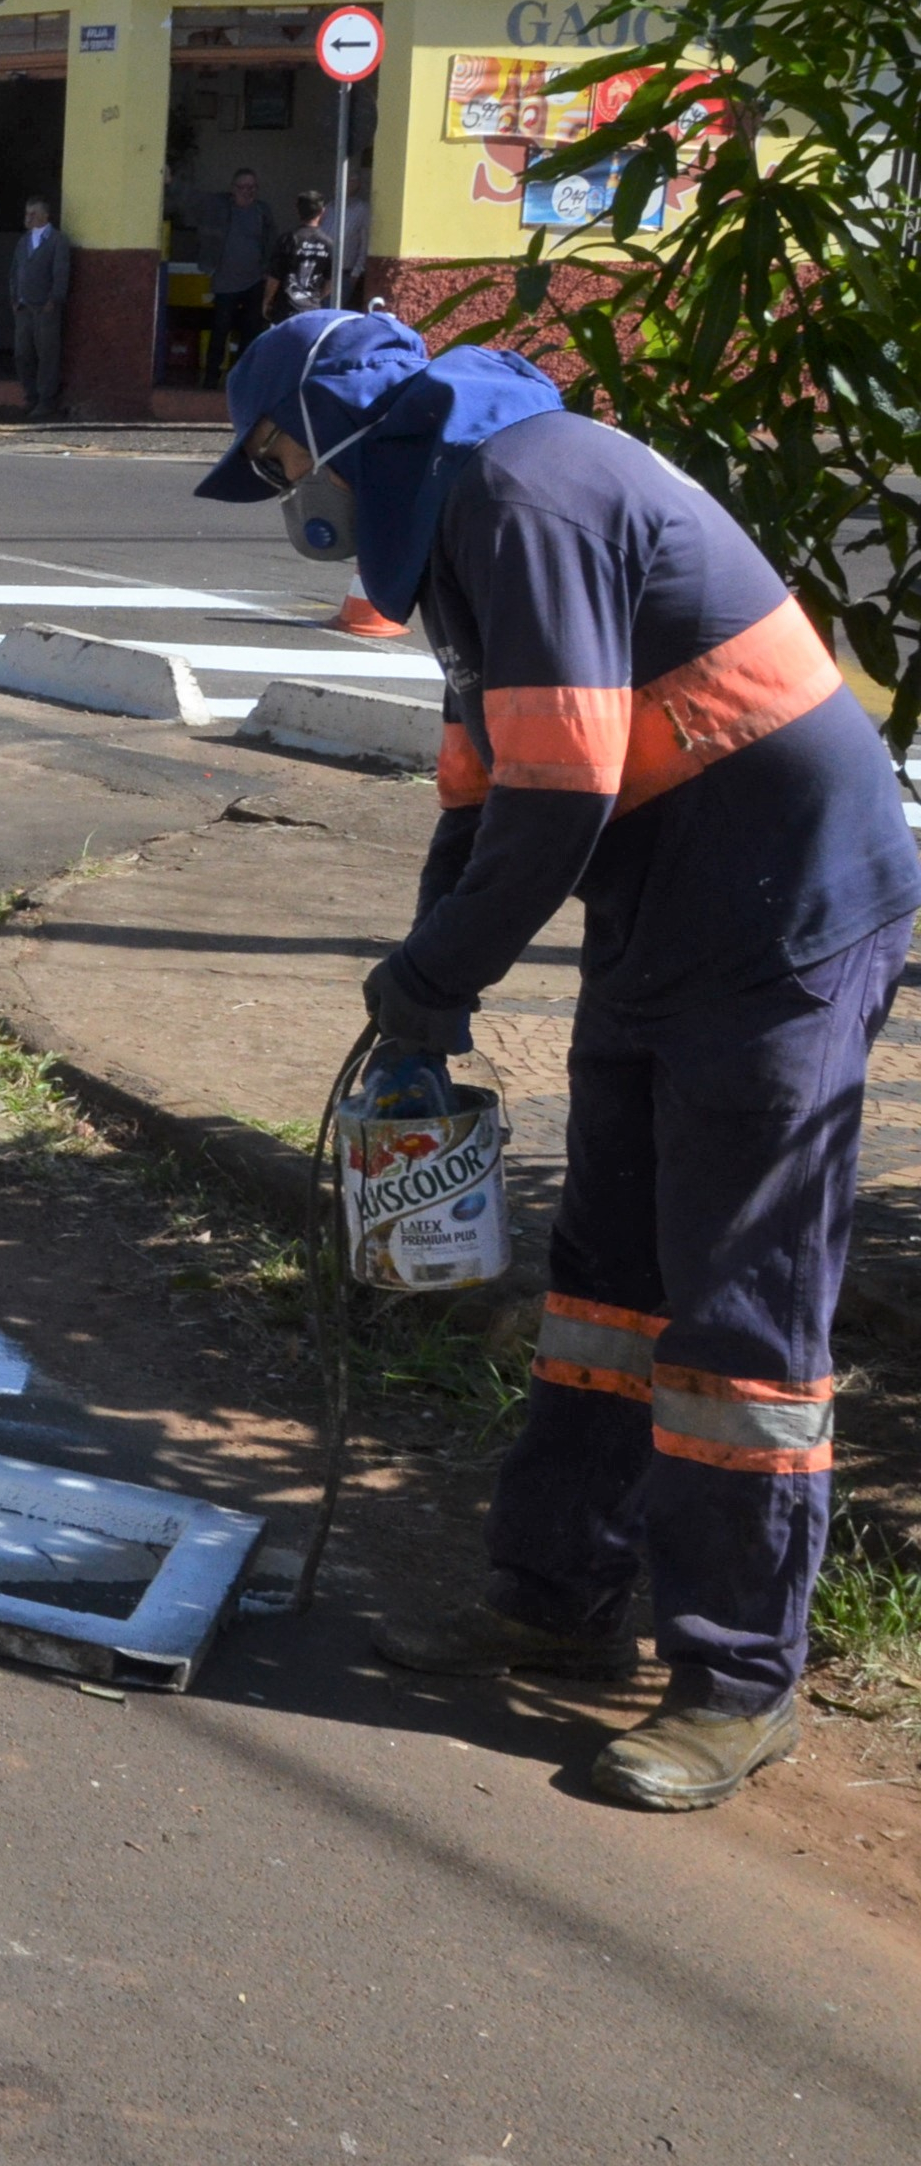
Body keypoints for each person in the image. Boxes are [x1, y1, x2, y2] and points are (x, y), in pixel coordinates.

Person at [196, 311, 921, 1810]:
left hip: (786, 920)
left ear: (330, 427)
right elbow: (484, 786)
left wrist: (441, 969)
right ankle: (554, 1601)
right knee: (605, 1288)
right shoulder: (460, 516)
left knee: (737, 1306)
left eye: (274, 461)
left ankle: (735, 1682)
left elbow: (563, 791)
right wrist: (426, 992)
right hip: (670, 914)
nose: (282, 496)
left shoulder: (529, 493)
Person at [195, 166, 273, 381]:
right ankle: (211, 379)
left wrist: (267, 270)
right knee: (220, 331)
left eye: (252, 187)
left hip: (254, 281)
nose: (247, 191)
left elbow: (270, 242)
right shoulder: (220, 209)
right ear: (232, 188)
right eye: (242, 187)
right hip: (224, 283)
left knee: (250, 333)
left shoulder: (262, 211)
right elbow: (195, 200)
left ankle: (239, 379)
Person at [8, 195, 72, 416]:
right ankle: (30, 396)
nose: (28, 218)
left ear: (45, 215)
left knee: (47, 354)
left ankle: (46, 400)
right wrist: (14, 298)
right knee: (22, 353)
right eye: (27, 213)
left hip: (46, 307)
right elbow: (15, 271)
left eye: (33, 213)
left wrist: (54, 299)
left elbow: (61, 272)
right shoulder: (24, 241)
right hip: (24, 306)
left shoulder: (57, 240)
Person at [273, 191, 338, 322]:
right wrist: (316, 298)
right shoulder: (328, 243)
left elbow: (274, 276)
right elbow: (330, 283)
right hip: (312, 310)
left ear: (297, 211)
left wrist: (267, 300)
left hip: (286, 309)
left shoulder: (287, 240)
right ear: (322, 212)